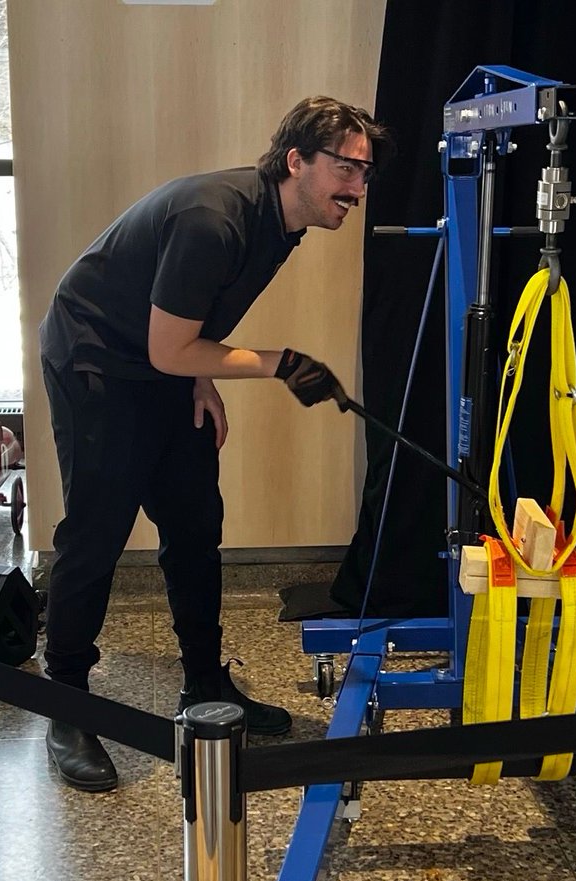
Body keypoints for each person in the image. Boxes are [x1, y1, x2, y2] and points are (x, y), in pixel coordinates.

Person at [38, 96, 391, 792]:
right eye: (347, 168)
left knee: (197, 526)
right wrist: (279, 362)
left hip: (159, 362)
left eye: (366, 172)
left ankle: (203, 684)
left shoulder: (283, 219)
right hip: (97, 363)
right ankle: (65, 707)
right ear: (297, 161)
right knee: (96, 536)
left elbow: (188, 327)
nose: (358, 187)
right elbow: (168, 344)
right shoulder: (215, 218)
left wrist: (203, 374)